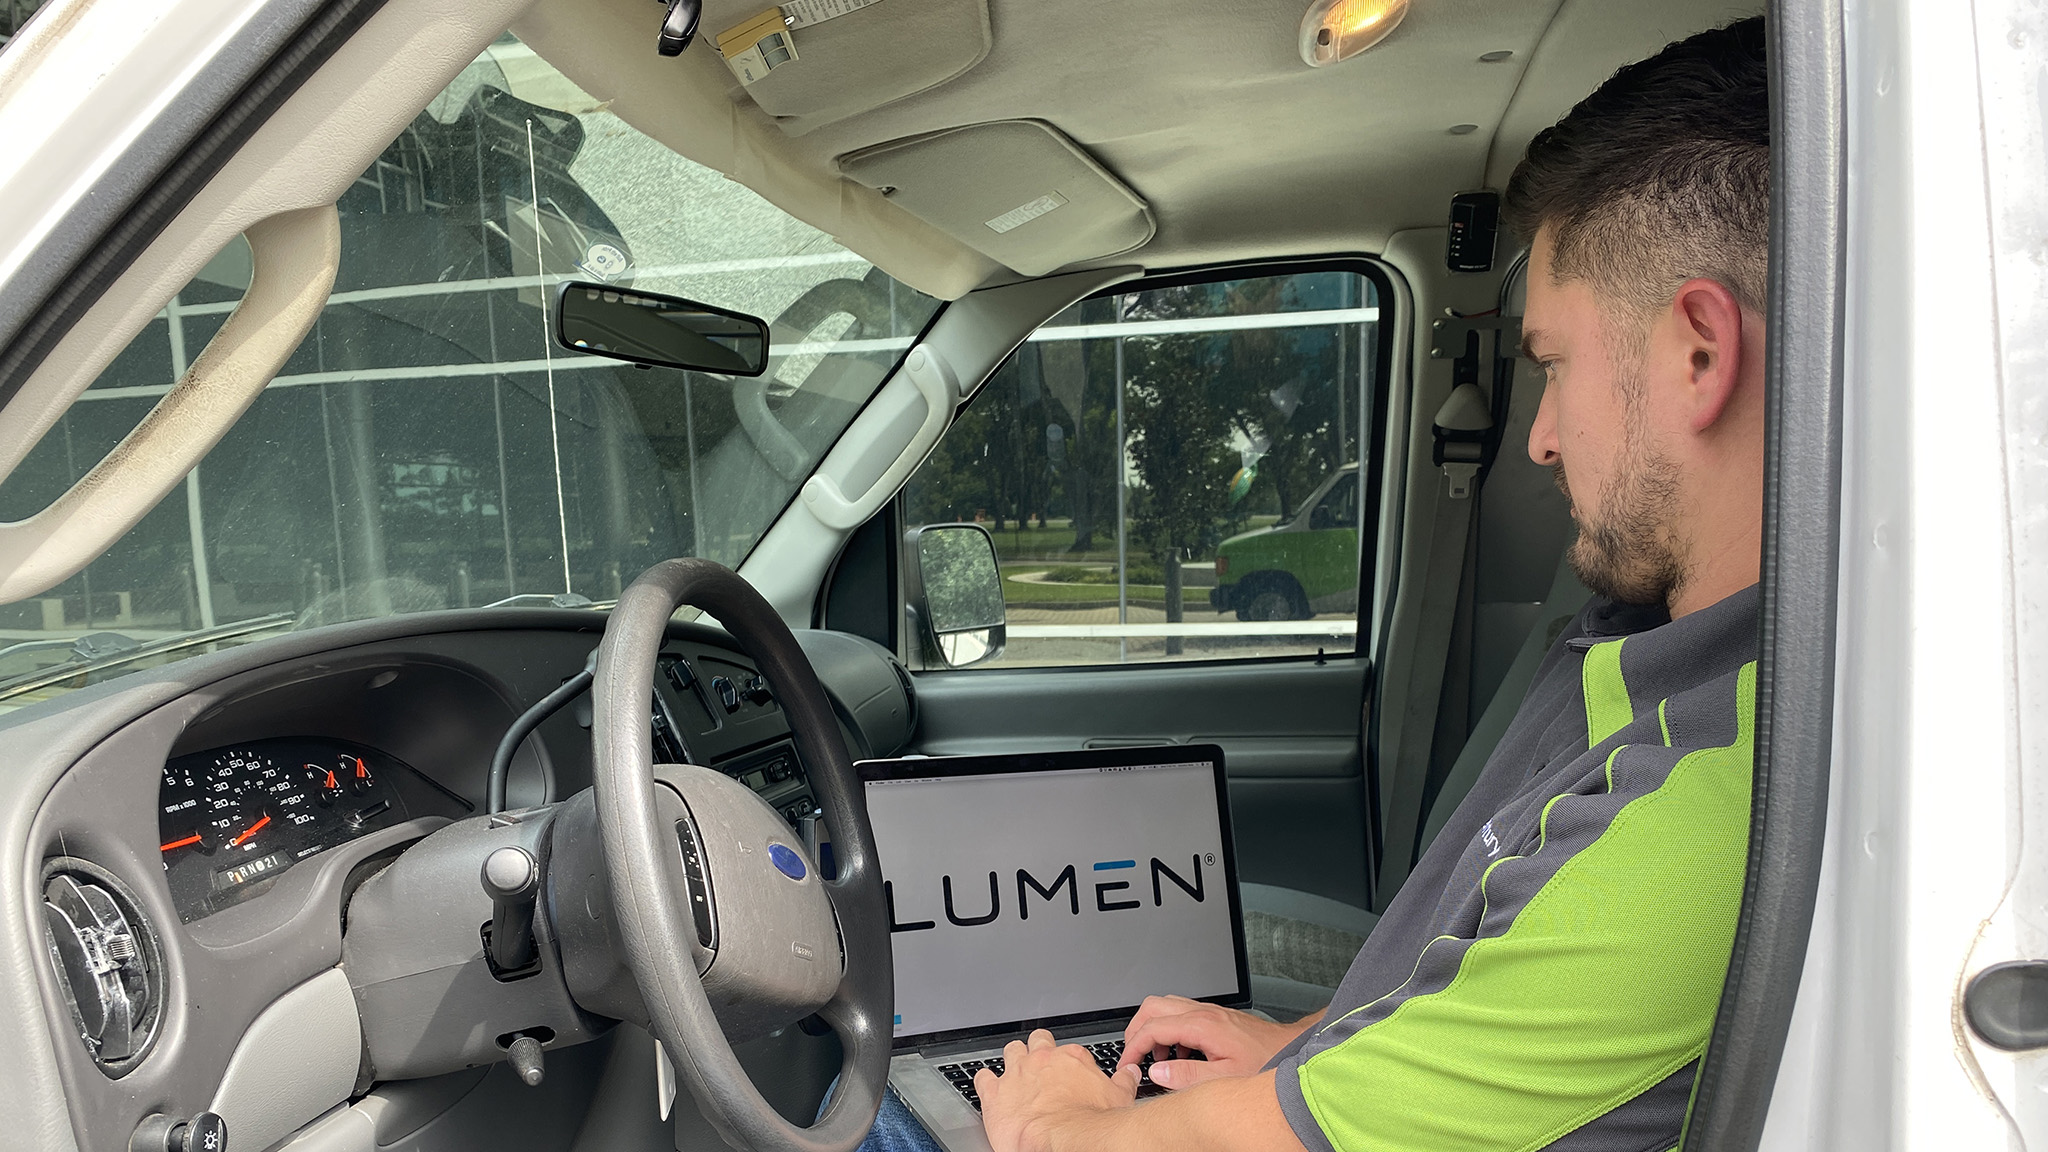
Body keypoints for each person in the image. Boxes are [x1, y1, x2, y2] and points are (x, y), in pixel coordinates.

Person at [859, 15, 1772, 1151]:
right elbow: (1484, 1000)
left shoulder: (1704, 805)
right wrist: (1301, 1046)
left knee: (885, 1107)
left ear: (1698, 353)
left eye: (1552, 365)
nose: (1536, 440)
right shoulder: (1644, 648)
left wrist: (1056, 1119)